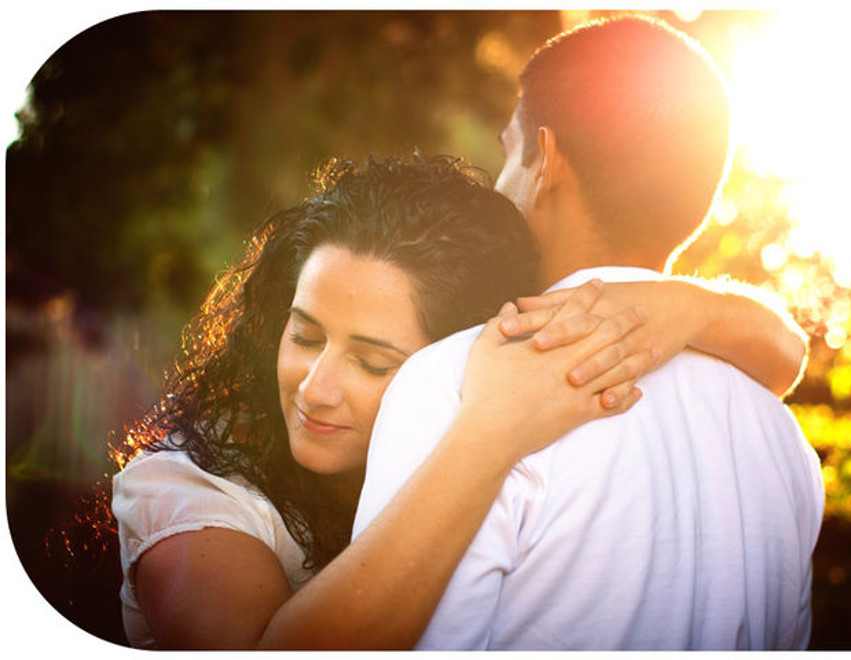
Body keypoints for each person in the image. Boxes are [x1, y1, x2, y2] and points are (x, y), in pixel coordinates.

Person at [110, 153, 807, 649]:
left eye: (373, 361)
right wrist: (493, 430)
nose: (316, 387)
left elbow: (780, 355)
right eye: (304, 334)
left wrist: (683, 305)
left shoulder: (438, 431)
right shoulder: (184, 487)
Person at [351, 16, 824, 650]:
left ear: (544, 160)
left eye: (506, 151)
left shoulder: (457, 380)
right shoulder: (781, 438)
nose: (499, 184)